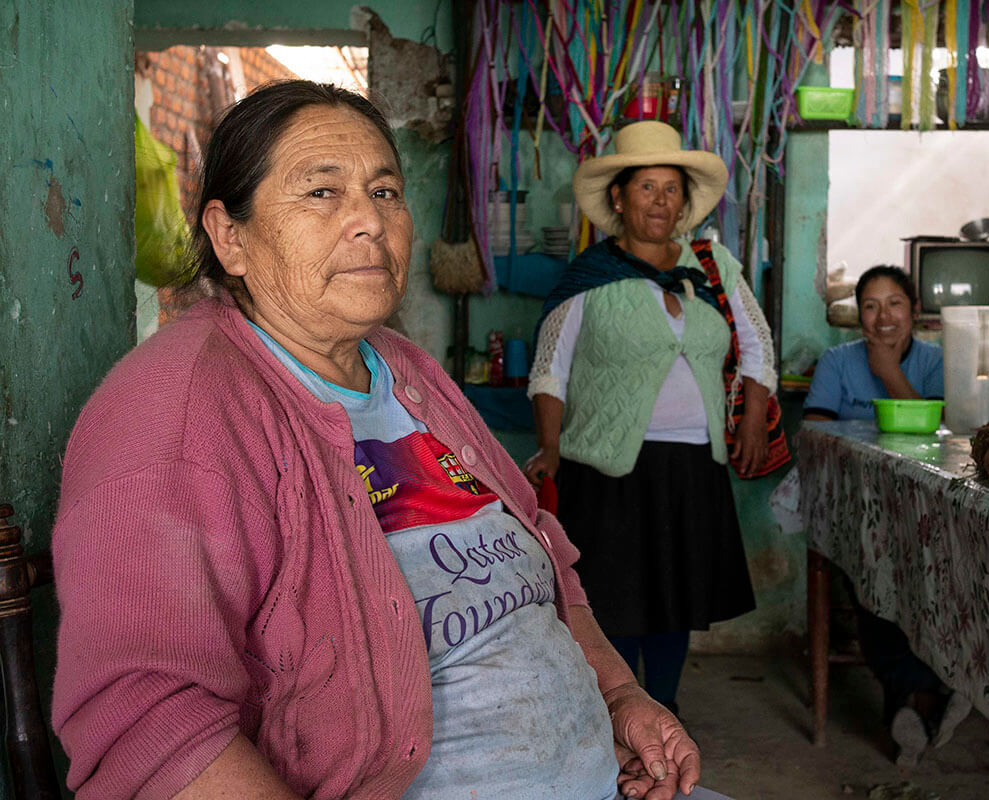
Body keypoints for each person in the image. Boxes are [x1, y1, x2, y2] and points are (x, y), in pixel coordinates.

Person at [50, 81, 718, 800]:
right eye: (321, 193)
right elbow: (150, 720)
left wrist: (619, 699)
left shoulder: (401, 366)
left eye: (386, 191)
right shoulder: (173, 411)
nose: (369, 219)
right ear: (230, 236)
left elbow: (545, 558)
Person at [521, 121, 777, 716]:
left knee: (674, 599)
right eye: (646, 187)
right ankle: (618, 711)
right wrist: (549, 447)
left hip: (693, 462)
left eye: (670, 189)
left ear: (684, 201)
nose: (659, 200)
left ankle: (664, 709)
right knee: (615, 600)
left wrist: (754, 418)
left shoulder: (713, 268)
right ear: (618, 197)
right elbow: (550, 370)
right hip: (607, 465)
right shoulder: (591, 277)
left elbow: (758, 343)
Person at [803, 265, 969, 767]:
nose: (883, 317)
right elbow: (812, 432)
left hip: (929, 514)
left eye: (895, 303)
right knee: (873, 577)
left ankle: (908, 704)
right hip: (858, 512)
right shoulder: (836, 362)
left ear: (915, 311)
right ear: (859, 316)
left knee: (940, 577)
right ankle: (926, 694)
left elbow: (953, 435)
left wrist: (888, 374)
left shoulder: (939, 362)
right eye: (870, 306)